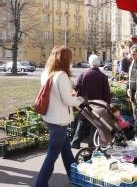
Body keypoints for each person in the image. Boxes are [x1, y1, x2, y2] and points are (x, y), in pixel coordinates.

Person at [36, 46, 85, 187]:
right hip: (59, 121)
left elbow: (54, 95)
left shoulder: (47, 72)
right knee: (52, 156)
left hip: (50, 117)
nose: (71, 60)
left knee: (66, 151)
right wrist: (80, 101)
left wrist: (69, 96)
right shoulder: (61, 75)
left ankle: (75, 177)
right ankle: (41, 184)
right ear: (64, 59)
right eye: (69, 57)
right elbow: (67, 100)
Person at [71, 54, 111, 149]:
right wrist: (107, 105)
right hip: (98, 105)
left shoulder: (83, 75)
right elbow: (107, 93)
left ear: (89, 63)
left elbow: (75, 88)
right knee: (95, 125)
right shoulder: (103, 77)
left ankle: (75, 143)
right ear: (99, 63)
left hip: (84, 104)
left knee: (81, 123)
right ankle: (91, 144)